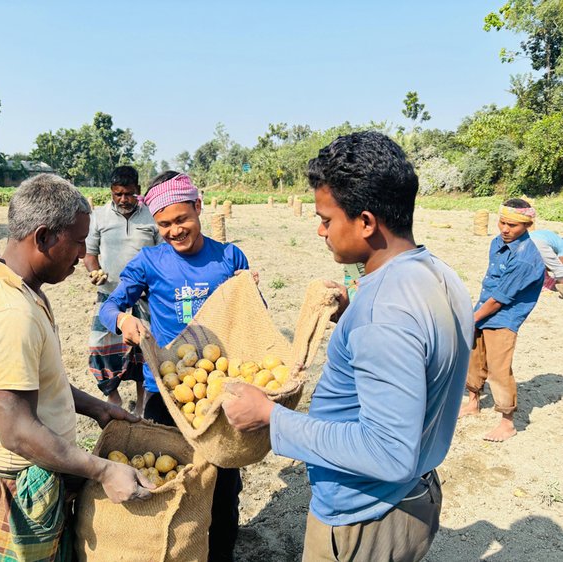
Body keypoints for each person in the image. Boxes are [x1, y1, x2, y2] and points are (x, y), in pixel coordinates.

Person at [222, 131, 474, 562]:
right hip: (411, 495)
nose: (320, 229)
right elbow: (415, 344)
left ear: (366, 222)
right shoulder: (437, 275)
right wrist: (353, 309)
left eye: (326, 218)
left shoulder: (384, 315)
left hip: (366, 518)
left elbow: (388, 453)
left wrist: (270, 417)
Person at [0, 174, 153, 561]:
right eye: (78, 241)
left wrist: (96, 407)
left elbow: (35, 384)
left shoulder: (23, 290)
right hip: (10, 493)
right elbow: (19, 432)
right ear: (43, 237)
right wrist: (103, 471)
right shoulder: (10, 313)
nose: (83, 254)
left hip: (34, 475)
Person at [98, 171, 253, 562]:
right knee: (168, 482)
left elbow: (251, 315)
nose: (174, 230)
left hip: (217, 394)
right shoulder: (150, 261)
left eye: (182, 219)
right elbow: (108, 306)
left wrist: (249, 289)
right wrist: (123, 321)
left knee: (222, 486)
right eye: (164, 224)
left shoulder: (229, 257)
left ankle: (219, 553)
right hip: (167, 393)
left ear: (199, 208)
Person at [459, 199, 545, 441]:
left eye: (512, 225)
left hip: (505, 316)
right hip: (483, 307)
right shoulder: (497, 242)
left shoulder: (526, 259)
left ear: (527, 225)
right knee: (473, 358)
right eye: (502, 222)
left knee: (498, 368)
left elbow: (500, 299)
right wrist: (474, 316)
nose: (505, 229)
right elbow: (491, 286)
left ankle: (507, 423)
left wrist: (470, 319)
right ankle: (473, 403)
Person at [84, 165, 161, 415]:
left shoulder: (152, 217)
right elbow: (90, 254)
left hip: (144, 296)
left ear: (138, 190)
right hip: (110, 295)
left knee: (143, 349)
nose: (123, 199)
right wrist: (94, 271)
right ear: (111, 192)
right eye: (118, 194)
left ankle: (140, 403)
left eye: (128, 194)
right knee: (100, 346)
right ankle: (113, 397)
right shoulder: (99, 216)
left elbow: (162, 254)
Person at [529, 229, 563, 297]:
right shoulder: (561, 245)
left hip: (526, 238)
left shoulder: (555, 239)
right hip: (539, 242)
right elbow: (560, 264)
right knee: (559, 269)